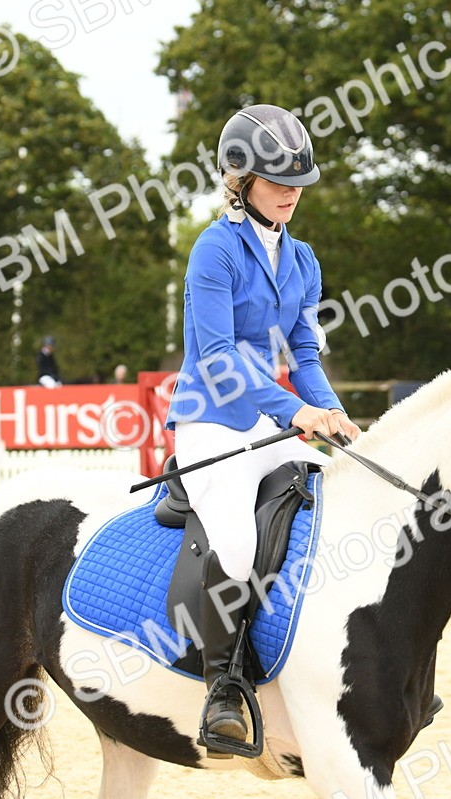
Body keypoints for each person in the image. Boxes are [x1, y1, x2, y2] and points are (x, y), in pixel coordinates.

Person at [165, 104, 360, 749]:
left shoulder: (302, 259)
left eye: (298, 183)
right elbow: (218, 358)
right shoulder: (214, 249)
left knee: (339, 504)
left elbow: (303, 354)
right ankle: (222, 686)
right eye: (278, 181)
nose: (291, 193)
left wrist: (333, 414)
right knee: (238, 540)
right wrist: (294, 412)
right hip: (211, 423)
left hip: (268, 426)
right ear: (240, 180)